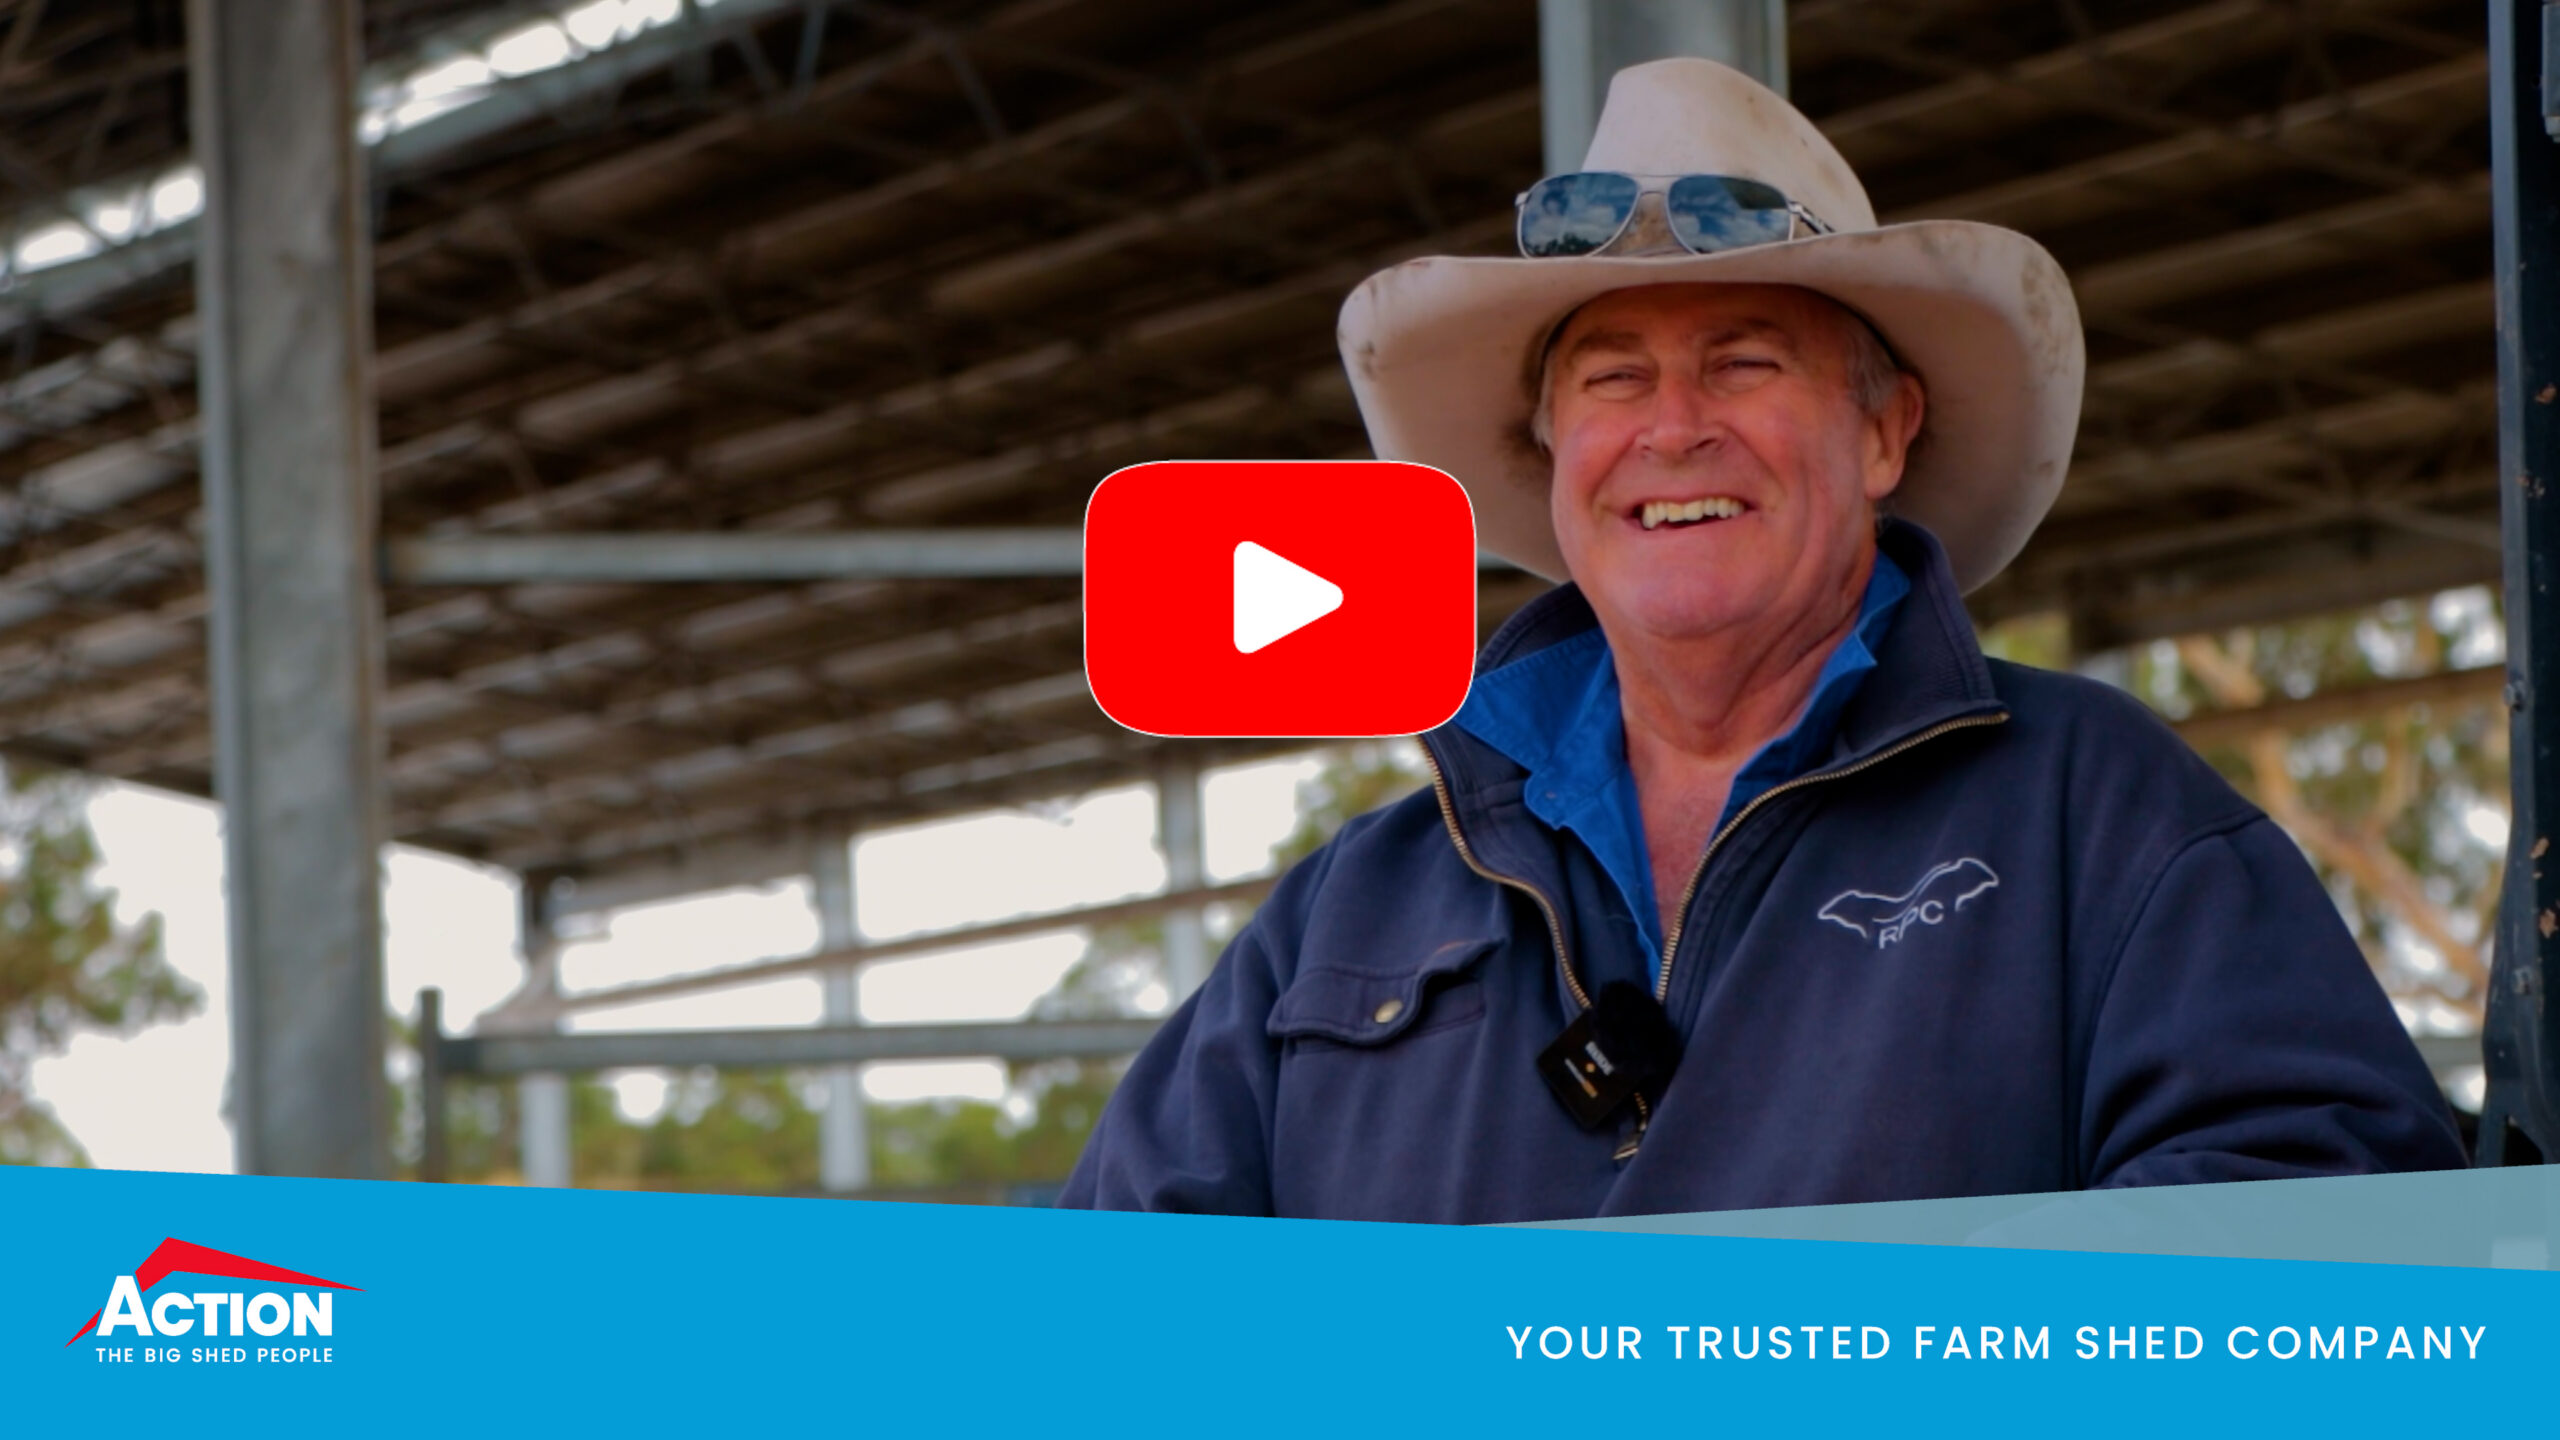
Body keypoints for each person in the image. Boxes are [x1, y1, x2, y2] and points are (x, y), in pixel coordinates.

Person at [1059, 58, 2466, 1222]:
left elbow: (2324, 1230)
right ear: (1551, 453)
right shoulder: (1349, 908)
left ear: (1885, 433)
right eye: (1614, 378)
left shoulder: (2096, 812)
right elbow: (1097, 1322)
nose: (1673, 429)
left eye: (1744, 361)